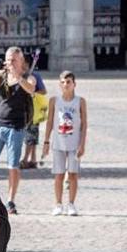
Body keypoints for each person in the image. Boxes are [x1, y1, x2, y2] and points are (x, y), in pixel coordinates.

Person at [0, 46, 42, 214]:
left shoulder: (29, 77)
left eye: (13, 59)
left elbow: (31, 89)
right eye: (8, 59)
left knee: (13, 166)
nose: (10, 62)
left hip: (15, 128)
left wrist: (17, 76)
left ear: (21, 61)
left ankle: (10, 201)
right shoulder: (1, 76)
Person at [42, 71, 87, 217]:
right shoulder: (54, 101)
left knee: (73, 175)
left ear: (74, 84)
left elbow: (84, 124)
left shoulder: (80, 101)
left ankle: (71, 204)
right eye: (63, 82)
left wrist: (82, 144)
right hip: (58, 143)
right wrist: (46, 141)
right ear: (59, 84)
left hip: (74, 143)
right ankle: (58, 204)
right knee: (59, 175)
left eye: (68, 82)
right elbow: (49, 122)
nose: (66, 85)